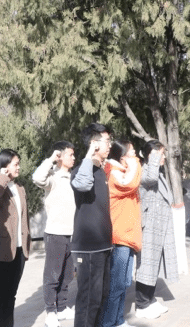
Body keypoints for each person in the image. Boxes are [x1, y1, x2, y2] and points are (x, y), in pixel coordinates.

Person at [70, 123, 113, 327]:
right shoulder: (81, 171)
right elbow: (82, 184)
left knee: (101, 298)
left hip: (104, 245)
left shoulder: (101, 171)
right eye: (107, 141)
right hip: (88, 248)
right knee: (88, 301)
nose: (110, 145)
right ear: (94, 144)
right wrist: (89, 154)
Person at [32, 141, 77, 327]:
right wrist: (51, 159)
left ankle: (62, 307)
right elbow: (37, 178)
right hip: (55, 233)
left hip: (72, 233)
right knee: (53, 275)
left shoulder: (74, 177)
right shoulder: (52, 177)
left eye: (74, 154)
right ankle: (50, 311)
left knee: (67, 274)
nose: (73, 158)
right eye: (70, 155)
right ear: (60, 156)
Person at [99, 140, 142, 327]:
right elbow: (130, 183)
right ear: (122, 156)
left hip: (127, 236)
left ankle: (118, 320)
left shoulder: (122, 171)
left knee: (124, 282)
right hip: (119, 237)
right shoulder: (114, 173)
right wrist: (135, 163)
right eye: (131, 152)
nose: (135, 155)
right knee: (116, 284)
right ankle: (108, 322)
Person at [0, 149, 31, 326]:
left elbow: (24, 218)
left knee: (11, 294)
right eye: (15, 164)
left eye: (19, 164)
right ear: (5, 166)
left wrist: (26, 245)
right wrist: (2, 178)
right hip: (2, 251)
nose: (18, 167)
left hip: (19, 250)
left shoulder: (19, 188)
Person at [134, 139, 178, 320]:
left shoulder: (157, 172)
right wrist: (153, 156)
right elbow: (150, 179)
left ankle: (150, 300)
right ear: (151, 156)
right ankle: (141, 305)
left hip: (159, 225)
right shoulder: (144, 171)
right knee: (146, 266)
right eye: (161, 154)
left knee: (154, 266)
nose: (164, 157)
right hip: (149, 227)